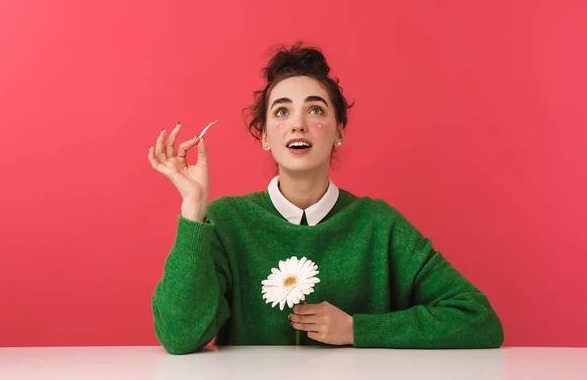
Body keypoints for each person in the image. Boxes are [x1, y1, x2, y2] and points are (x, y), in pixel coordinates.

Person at [147, 43, 504, 355]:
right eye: (281, 112)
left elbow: (478, 319)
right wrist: (193, 209)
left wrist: (355, 330)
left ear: (340, 132)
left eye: (315, 110)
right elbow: (180, 337)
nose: (298, 124)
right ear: (265, 136)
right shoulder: (226, 221)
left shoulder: (379, 225)